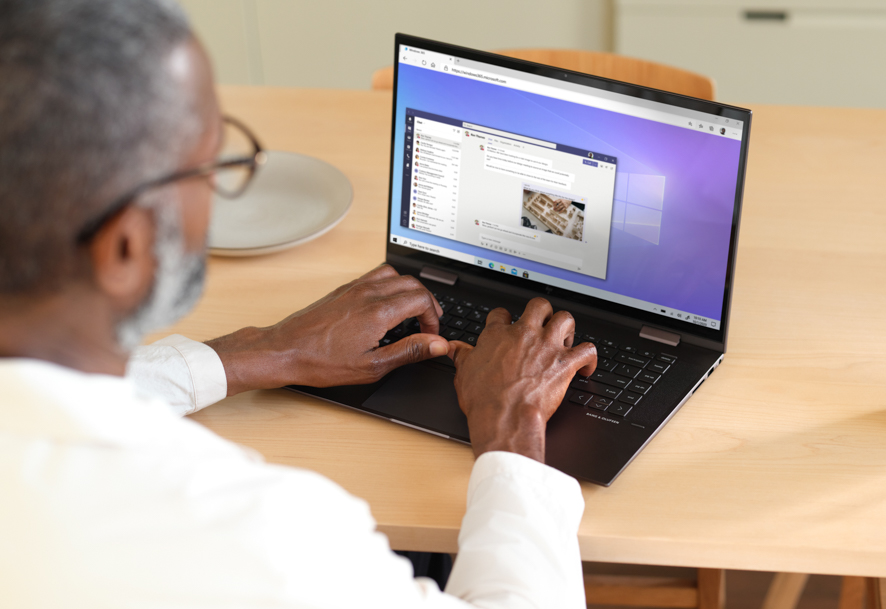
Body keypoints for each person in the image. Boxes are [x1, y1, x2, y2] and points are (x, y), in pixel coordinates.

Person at [0, 0, 597, 606]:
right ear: (125, 246)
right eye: (213, 164)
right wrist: (515, 429)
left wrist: (264, 352)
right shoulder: (259, 538)